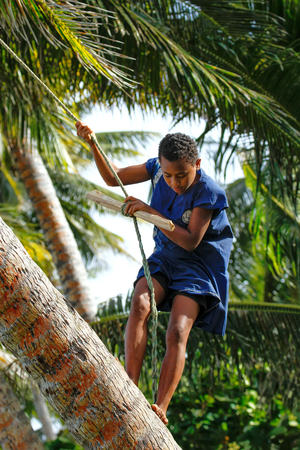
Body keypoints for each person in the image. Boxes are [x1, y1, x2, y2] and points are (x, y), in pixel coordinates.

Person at [76, 121, 233, 425]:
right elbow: (113, 177)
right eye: (168, 175)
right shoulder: (157, 169)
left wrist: (150, 211)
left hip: (197, 269)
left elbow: (189, 241)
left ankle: (161, 406)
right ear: (160, 165)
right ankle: (129, 386)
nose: (174, 182)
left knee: (177, 332)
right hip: (164, 258)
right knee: (140, 305)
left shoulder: (209, 192)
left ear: (197, 165)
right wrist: (93, 143)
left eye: (182, 175)